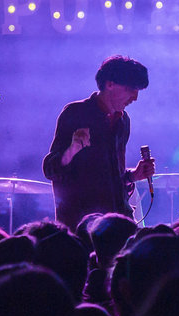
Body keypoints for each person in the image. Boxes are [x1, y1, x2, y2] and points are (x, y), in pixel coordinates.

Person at [43, 55, 155, 229]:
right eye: (131, 89)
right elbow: (50, 169)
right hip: (81, 224)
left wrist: (133, 175)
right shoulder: (75, 113)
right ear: (110, 84)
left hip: (116, 222)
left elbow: (110, 176)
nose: (135, 97)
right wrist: (72, 150)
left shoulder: (124, 121)